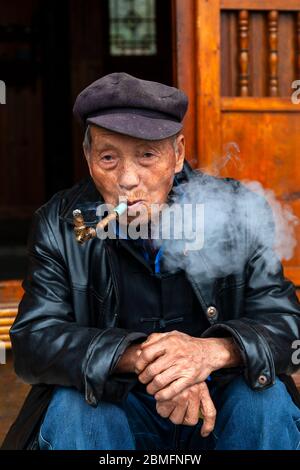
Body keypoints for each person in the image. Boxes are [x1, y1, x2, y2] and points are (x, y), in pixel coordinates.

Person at [2, 72, 300, 450]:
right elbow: (34, 342)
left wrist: (210, 353)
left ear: (177, 155)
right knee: (75, 408)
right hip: (118, 411)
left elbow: (289, 329)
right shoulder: (61, 223)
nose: (128, 179)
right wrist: (142, 357)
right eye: (109, 157)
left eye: (146, 155)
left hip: (217, 411)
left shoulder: (236, 212)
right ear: (88, 157)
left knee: (265, 403)